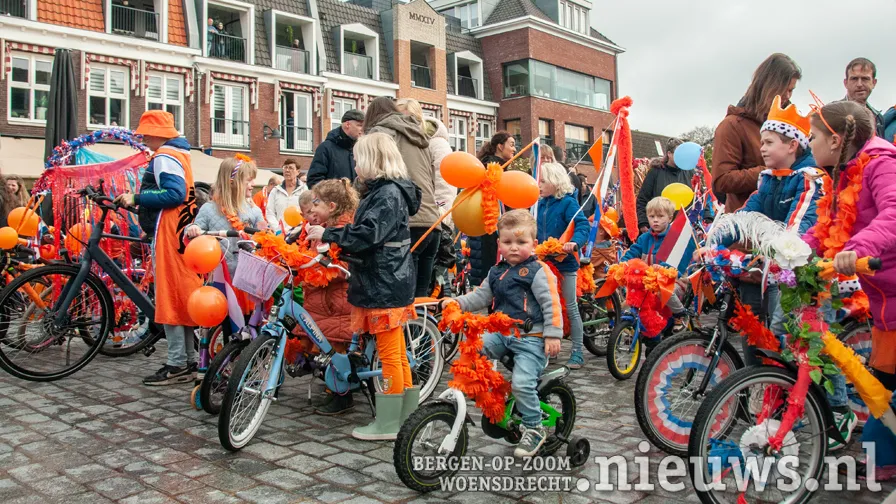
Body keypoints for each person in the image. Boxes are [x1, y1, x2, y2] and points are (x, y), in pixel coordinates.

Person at [305, 132, 420, 440]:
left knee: (390, 354)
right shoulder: (386, 192)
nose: (354, 163)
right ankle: (405, 419)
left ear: (372, 160)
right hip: (387, 279)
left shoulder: (387, 194)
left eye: (358, 158)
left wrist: (328, 235)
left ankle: (389, 423)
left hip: (384, 281)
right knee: (395, 353)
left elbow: (367, 235)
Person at [805, 100, 896, 477]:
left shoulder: (882, 164)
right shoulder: (841, 173)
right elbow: (827, 228)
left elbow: (894, 212)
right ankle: (884, 459)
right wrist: (789, 251)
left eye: (813, 136)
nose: (809, 144)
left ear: (836, 139)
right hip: (885, 298)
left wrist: (856, 249)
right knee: (882, 383)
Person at [443, 210, 562, 457]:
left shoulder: (538, 271)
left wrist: (553, 334)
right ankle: (485, 396)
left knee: (521, 383)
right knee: (472, 348)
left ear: (534, 244)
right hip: (502, 334)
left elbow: (552, 302)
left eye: (521, 242)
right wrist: (456, 303)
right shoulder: (496, 271)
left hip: (532, 339)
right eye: (507, 243)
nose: (514, 248)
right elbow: (481, 296)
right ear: (499, 244)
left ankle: (534, 427)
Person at [115, 110, 200, 386]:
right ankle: (189, 360)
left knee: (169, 295)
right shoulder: (180, 154)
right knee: (181, 293)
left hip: (169, 231)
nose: (143, 138)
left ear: (155, 134)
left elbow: (174, 194)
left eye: (145, 134)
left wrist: (135, 197)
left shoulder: (164, 156)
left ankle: (177, 363)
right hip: (180, 231)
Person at [294, 179, 359, 416]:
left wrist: (323, 267)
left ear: (331, 206)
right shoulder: (324, 226)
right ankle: (335, 387)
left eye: (316, 203)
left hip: (337, 301)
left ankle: (342, 395)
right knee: (326, 344)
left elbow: (345, 263)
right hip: (322, 298)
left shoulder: (343, 229)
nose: (312, 209)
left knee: (335, 345)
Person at [364, 96, 437, 298]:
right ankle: (427, 329)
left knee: (402, 298)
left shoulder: (381, 133)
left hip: (407, 221)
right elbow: (431, 177)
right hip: (432, 220)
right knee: (421, 300)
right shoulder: (421, 137)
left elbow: (370, 172)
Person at [713, 53, 802, 211]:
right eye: (785, 90)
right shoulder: (732, 125)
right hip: (745, 225)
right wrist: (769, 172)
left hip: (781, 221)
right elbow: (721, 181)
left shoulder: (788, 126)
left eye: (791, 91)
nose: (788, 97)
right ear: (768, 87)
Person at [535, 163, 589, 368]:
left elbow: (582, 225)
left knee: (570, 306)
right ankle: (552, 347)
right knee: (546, 307)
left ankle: (577, 351)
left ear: (555, 182)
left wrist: (575, 243)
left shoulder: (568, 203)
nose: (538, 185)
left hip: (565, 263)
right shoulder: (539, 204)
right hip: (544, 262)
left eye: (543, 181)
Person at [622, 197, 695, 335]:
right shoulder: (644, 238)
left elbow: (677, 264)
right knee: (630, 291)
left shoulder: (675, 238)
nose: (655, 220)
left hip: (672, 281)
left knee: (663, 290)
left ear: (670, 217)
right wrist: (623, 262)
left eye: (660, 216)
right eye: (652, 216)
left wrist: (662, 268)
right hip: (648, 279)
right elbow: (634, 251)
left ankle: (680, 314)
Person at [185, 156, 267, 278]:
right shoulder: (208, 209)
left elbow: (265, 237)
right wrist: (193, 228)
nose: (253, 184)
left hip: (247, 277)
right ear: (233, 182)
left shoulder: (254, 211)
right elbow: (193, 230)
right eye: (249, 180)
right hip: (218, 276)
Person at [395, 98, 456, 226]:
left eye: (408, 118)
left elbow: (445, 179)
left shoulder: (437, 143)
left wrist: (442, 211)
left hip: (431, 215)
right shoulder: (401, 141)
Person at [468, 132, 517, 287]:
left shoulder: (500, 168)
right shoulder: (492, 169)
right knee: (490, 272)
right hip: (489, 228)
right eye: (511, 144)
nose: (514, 149)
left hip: (486, 227)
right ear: (500, 146)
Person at [636, 138, 689, 234]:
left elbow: (700, 197)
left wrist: (707, 218)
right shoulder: (655, 172)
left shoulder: (689, 172)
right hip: (658, 229)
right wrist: (643, 222)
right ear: (669, 154)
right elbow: (642, 199)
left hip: (684, 228)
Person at [307, 110, 363, 188]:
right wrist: (336, 190)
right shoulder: (325, 148)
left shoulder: (360, 149)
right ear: (347, 124)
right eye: (360, 125)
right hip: (333, 200)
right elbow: (314, 180)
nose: (362, 129)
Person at [841, 58, 885, 138]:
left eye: (865, 79)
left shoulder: (878, 118)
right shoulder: (833, 112)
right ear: (845, 83)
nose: (859, 84)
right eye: (854, 79)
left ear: (874, 83)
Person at [265, 159, 307, 232]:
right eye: (285, 167)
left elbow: (307, 212)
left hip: (298, 234)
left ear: (298, 172)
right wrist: (278, 229)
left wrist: (296, 231)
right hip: (279, 234)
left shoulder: (304, 190)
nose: (287, 170)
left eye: (291, 168)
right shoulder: (275, 191)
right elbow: (270, 212)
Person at [590, 211, 620, 280]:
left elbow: (585, 265)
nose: (588, 230)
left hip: (599, 286)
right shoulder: (609, 246)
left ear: (601, 232)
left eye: (592, 227)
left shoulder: (598, 251)